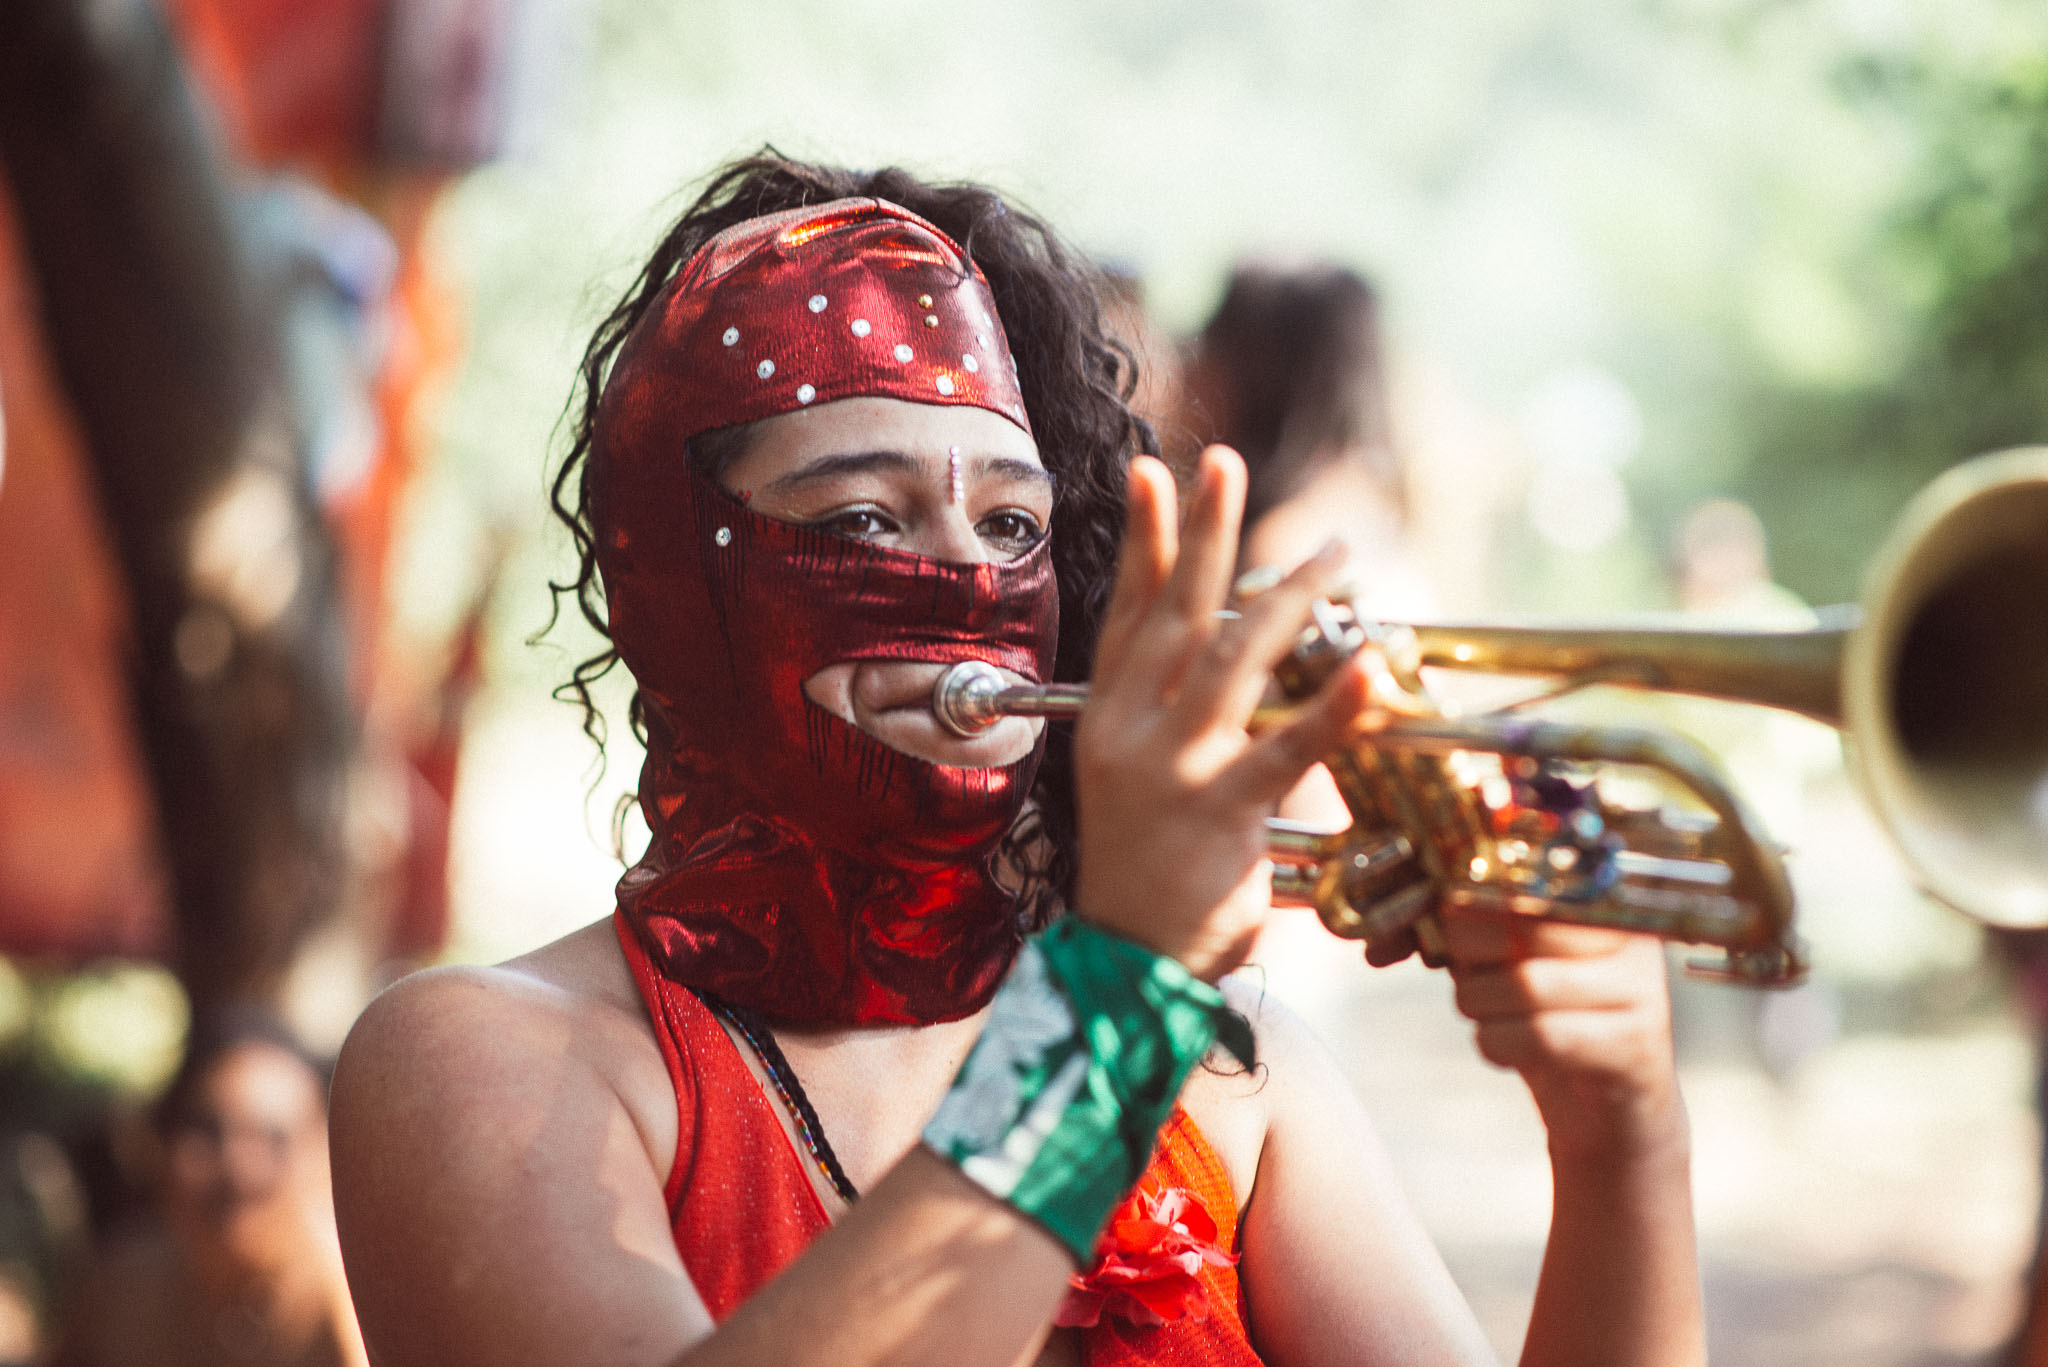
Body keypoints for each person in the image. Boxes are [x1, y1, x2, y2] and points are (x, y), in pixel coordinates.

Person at [329, 154, 1704, 1367]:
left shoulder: (1233, 1073)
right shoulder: (483, 1058)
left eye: (1007, 526)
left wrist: (1620, 1139)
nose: (963, 584)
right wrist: (1117, 996)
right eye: (865, 519)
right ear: (678, 586)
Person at [53, 1007, 367, 1367]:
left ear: (324, 1160)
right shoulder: (121, 1291)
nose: (236, 1168)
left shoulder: (356, 1308)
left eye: (272, 1138)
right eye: (208, 1131)